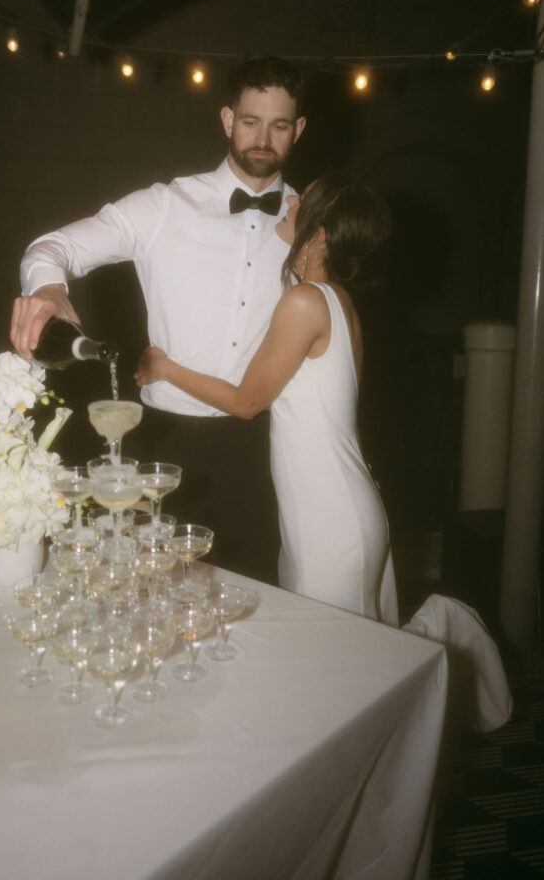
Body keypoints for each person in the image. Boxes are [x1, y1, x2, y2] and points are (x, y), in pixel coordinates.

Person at [10, 56, 307, 584]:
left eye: (279, 124)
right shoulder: (164, 206)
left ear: (298, 130)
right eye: (250, 121)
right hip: (167, 446)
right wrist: (49, 287)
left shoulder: (310, 220)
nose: (263, 138)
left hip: (267, 446)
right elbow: (50, 246)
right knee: (155, 596)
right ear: (226, 120)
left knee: (257, 603)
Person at [135, 172, 399, 625]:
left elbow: (245, 403)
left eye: (302, 201)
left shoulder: (304, 301)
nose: (290, 201)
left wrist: (164, 368)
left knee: (327, 671)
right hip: (337, 507)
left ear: (317, 235)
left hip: (329, 523)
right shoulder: (338, 300)